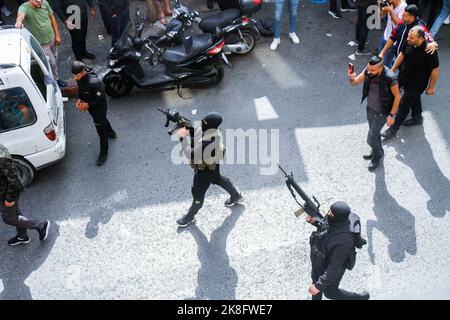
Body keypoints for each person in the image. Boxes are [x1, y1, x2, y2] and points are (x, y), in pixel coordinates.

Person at [175, 112, 243, 227]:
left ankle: (189, 216)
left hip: (203, 171)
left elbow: (190, 154)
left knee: (198, 195)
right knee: (218, 179)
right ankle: (236, 195)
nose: (202, 124)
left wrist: (181, 135)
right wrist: (181, 121)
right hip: (213, 166)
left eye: (204, 122)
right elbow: (196, 132)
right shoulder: (212, 132)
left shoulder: (208, 142)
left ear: (209, 126)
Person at [382, 26, 439, 139]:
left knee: (404, 104)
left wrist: (431, 87)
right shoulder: (408, 42)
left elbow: (435, 70)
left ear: (421, 39)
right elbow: (401, 55)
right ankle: (417, 117)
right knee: (413, 98)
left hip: (417, 83)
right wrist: (392, 71)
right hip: (404, 76)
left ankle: (393, 129)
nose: (408, 39)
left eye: (412, 38)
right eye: (408, 36)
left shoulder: (429, 51)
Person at [307, 201, 370, 300]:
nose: (327, 213)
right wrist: (315, 222)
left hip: (329, 265)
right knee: (315, 285)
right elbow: (326, 227)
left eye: (331, 213)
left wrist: (318, 286)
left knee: (330, 293)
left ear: (338, 217)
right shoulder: (335, 221)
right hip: (320, 261)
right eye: (329, 210)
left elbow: (334, 267)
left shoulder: (343, 240)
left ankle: (358, 298)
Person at [349, 56, 400, 171]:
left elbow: (397, 97)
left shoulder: (390, 78)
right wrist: (351, 78)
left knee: (370, 139)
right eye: (368, 69)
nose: (368, 71)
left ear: (381, 68)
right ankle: (377, 150)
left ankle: (377, 155)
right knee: (374, 134)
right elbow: (355, 82)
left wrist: (392, 115)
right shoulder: (368, 70)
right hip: (370, 109)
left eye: (372, 70)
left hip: (382, 113)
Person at [0, 144, 50, 246]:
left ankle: (40, 225)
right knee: (16, 214)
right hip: (3, 191)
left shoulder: (1, 159)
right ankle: (22, 236)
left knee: (8, 218)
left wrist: (10, 199)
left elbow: (14, 181)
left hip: (7, 193)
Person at [71, 61, 117, 166]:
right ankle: (111, 132)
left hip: (99, 108)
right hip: (91, 107)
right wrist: (79, 100)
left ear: (83, 72)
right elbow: (81, 91)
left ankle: (103, 153)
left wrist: (88, 105)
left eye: (77, 75)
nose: (75, 78)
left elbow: (101, 98)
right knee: (103, 120)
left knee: (101, 130)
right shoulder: (80, 79)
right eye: (74, 75)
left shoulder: (94, 83)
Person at [15, 0, 66, 87]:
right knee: (51, 63)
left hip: (52, 39)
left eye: (41, 0)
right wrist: (19, 22)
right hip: (41, 44)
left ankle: (51, 76)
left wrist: (57, 35)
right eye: (37, 1)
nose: (40, 3)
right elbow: (20, 17)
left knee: (54, 58)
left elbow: (52, 18)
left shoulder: (45, 3)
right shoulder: (24, 8)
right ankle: (53, 80)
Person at [378, 0, 407, 67]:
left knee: (385, 64)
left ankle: (389, 75)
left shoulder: (403, 6)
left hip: (393, 41)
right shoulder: (389, 3)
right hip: (385, 35)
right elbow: (381, 16)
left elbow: (399, 24)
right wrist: (381, 7)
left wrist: (391, 11)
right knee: (379, 60)